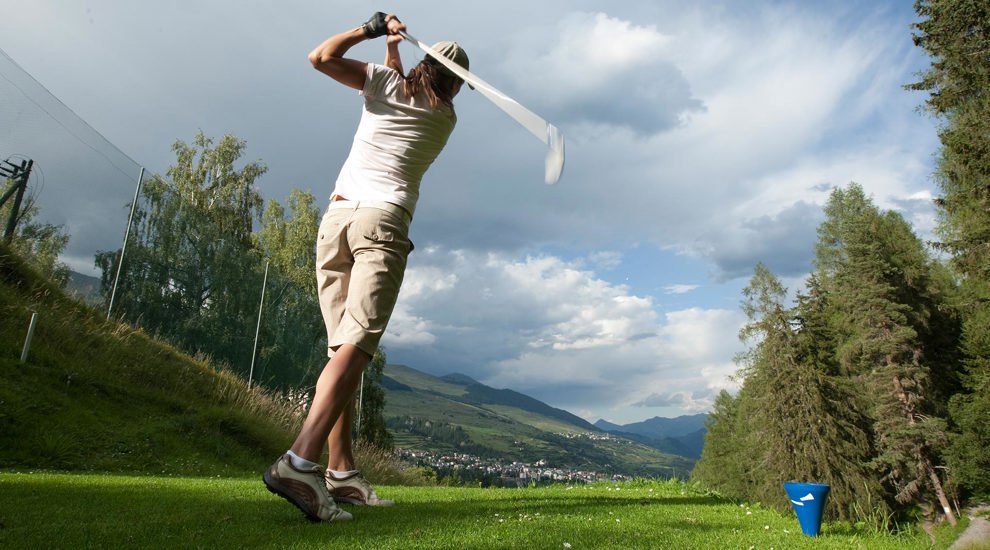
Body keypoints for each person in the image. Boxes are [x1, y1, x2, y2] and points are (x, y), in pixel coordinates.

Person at [263, 12, 469, 522]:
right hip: (382, 223)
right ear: (455, 84)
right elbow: (403, 88)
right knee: (356, 345)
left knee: (342, 349)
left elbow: (321, 58)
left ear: (423, 64)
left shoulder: (384, 85)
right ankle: (299, 463)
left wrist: (373, 29)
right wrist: (391, 49)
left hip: (336, 221)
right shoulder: (444, 118)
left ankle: (341, 471)